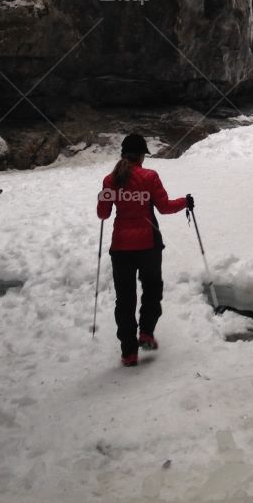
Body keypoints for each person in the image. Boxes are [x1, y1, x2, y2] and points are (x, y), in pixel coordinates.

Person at [96, 133, 194, 367]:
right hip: (148, 245)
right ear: (141, 155)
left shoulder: (110, 180)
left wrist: (105, 196)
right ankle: (146, 333)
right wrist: (186, 202)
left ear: (123, 154)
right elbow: (165, 207)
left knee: (125, 299)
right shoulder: (149, 177)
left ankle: (129, 352)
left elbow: (103, 214)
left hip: (120, 248)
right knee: (152, 289)